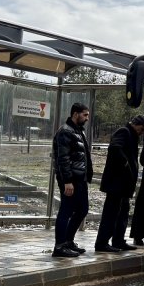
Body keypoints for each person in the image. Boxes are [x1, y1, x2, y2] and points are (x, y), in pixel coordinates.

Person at [94, 115, 144, 252]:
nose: (142, 132)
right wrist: (126, 165)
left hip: (124, 185)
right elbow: (115, 148)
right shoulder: (124, 131)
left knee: (122, 213)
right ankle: (102, 243)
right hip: (116, 184)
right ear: (136, 124)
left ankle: (118, 240)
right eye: (142, 128)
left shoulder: (131, 134)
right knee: (111, 214)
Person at [52, 102, 93, 257]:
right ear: (75, 114)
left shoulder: (78, 131)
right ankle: (60, 246)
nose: (87, 118)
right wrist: (67, 181)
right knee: (66, 211)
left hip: (80, 178)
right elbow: (62, 158)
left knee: (83, 209)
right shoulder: (65, 131)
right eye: (85, 115)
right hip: (70, 180)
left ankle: (68, 241)